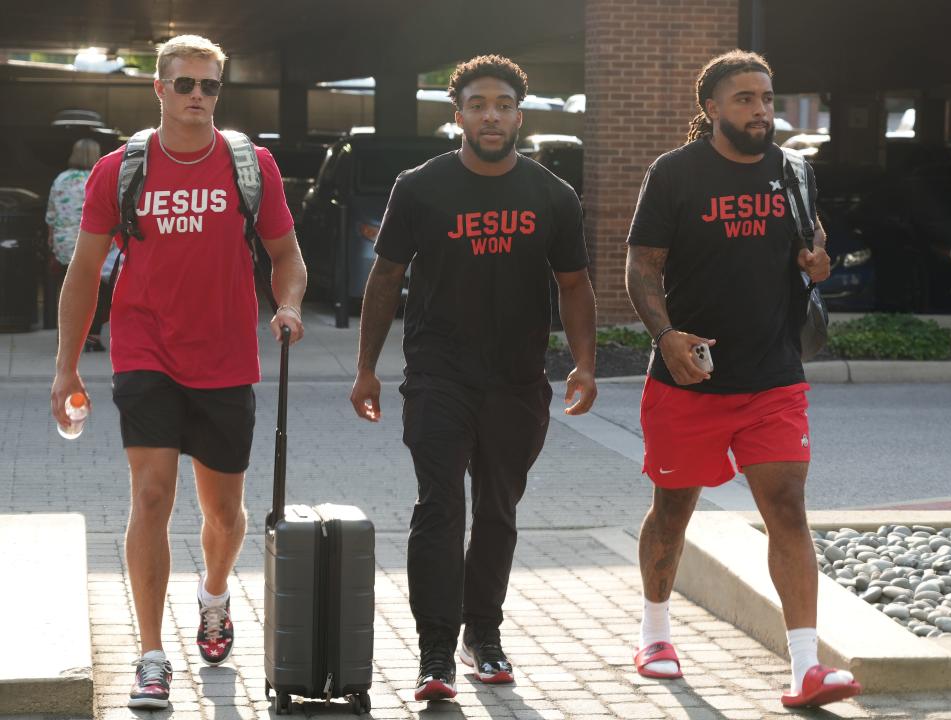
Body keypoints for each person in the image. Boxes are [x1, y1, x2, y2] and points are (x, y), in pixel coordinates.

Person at [49, 35, 306, 710]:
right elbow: (83, 274)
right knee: (153, 497)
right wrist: (65, 368)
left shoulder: (251, 166)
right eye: (185, 84)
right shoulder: (120, 171)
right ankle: (151, 654)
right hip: (146, 350)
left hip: (226, 358)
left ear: (220, 92)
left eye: (210, 86)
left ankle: (215, 597)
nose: (198, 96)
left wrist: (289, 304)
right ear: (159, 89)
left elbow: (288, 255)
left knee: (224, 513)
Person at [350, 55, 597, 702]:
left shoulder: (552, 195)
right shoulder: (421, 186)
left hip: (517, 380)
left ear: (520, 113)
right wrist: (365, 369)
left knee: (497, 511)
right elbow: (385, 280)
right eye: (479, 103)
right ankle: (436, 653)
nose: (492, 114)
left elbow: (574, 285)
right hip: (438, 374)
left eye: (504, 104)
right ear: (457, 113)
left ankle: (483, 635)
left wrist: (585, 363)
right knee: (439, 505)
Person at [624, 49, 861, 709]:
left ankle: (806, 667)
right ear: (712, 108)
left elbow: (812, 247)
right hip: (690, 376)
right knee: (673, 511)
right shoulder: (673, 174)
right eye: (745, 99)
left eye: (766, 97)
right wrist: (665, 337)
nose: (761, 110)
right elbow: (643, 267)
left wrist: (817, 263)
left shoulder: (793, 171)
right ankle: (655, 633)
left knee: (787, 508)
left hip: (773, 374)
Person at [45, 138, 117, 350]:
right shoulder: (101, 176)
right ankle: (92, 336)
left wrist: (52, 239)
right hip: (93, 242)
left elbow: (51, 213)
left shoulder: (61, 179)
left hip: (64, 244)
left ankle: (65, 337)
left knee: (68, 288)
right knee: (99, 289)